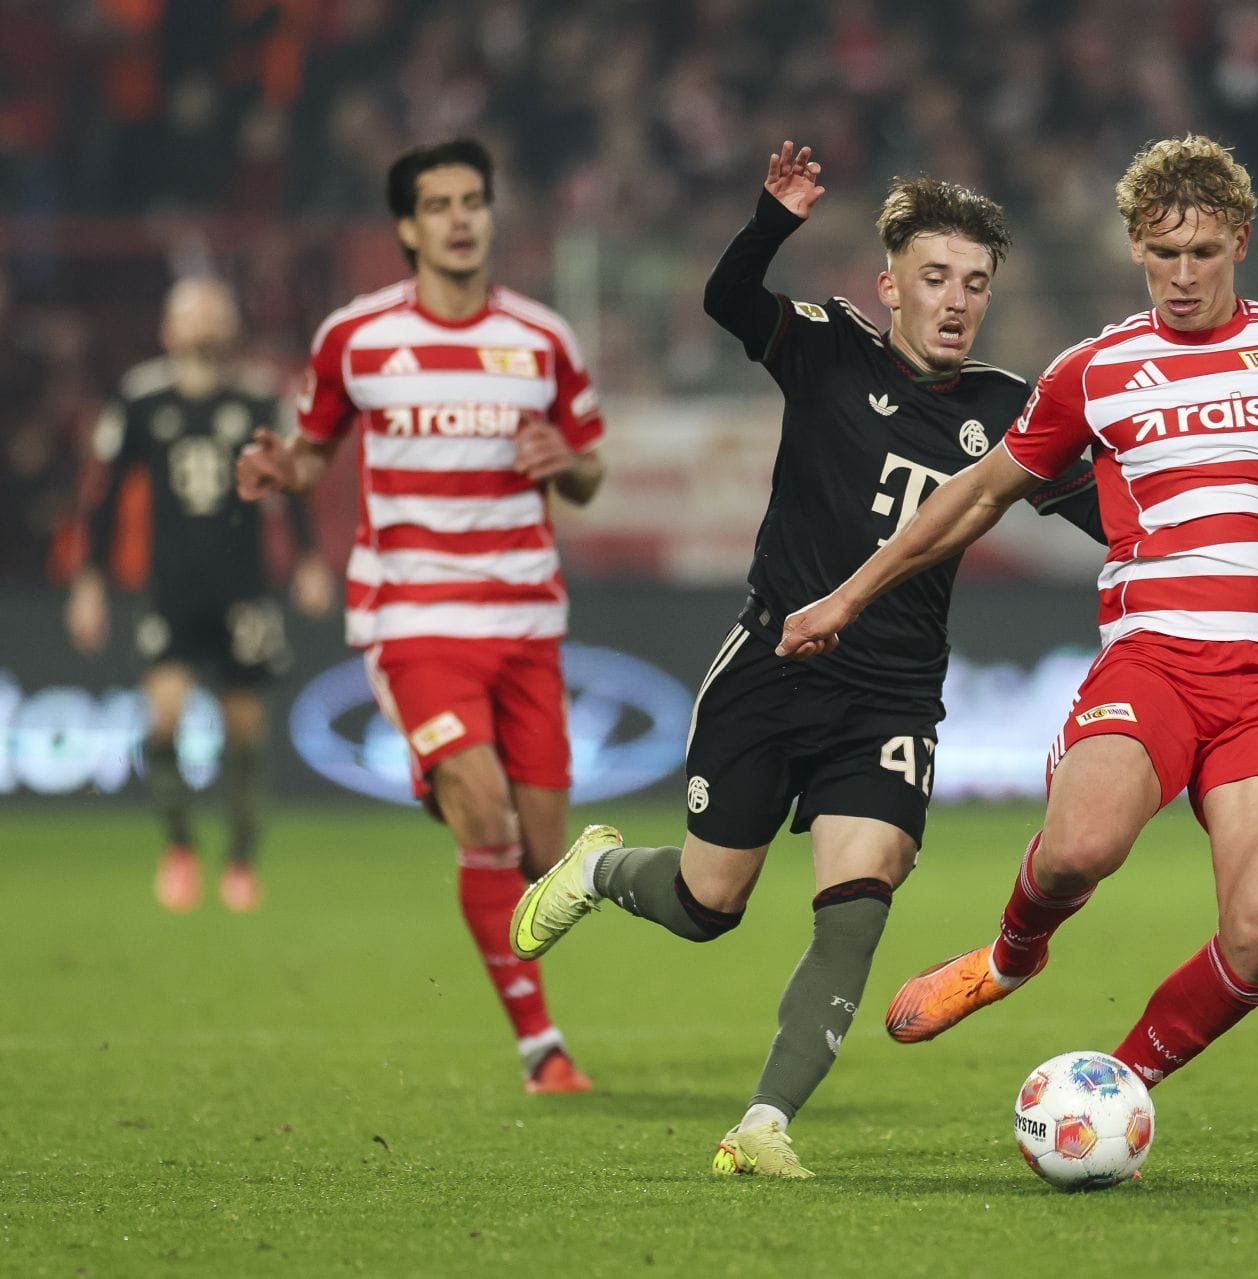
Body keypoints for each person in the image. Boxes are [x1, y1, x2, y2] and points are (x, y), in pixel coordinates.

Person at [777, 134, 1258, 1094]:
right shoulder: (1093, 371)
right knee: (1077, 850)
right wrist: (845, 596)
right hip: (1156, 660)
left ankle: (1115, 1088)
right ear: (1134, 244)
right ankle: (1011, 955)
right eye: (1163, 253)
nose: (1182, 276)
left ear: (1241, 243)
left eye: (1203, 253)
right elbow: (974, 496)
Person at [509, 141, 1104, 1176]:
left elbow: (1108, 513)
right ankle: (601, 868)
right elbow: (728, 296)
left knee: (862, 892)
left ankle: (764, 1123)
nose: (955, 301)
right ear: (891, 287)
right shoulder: (830, 346)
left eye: (974, 284)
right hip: (773, 664)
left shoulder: (1011, 411)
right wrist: (772, 220)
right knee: (707, 905)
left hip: (893, 696)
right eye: (934, 279)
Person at [235, 139, 608, 1095]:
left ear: (491, 213)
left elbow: (591, 473)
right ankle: (542, 1049)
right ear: (406, 226)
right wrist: (283, 471)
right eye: (438, 203)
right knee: (482, 821)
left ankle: (452, 781)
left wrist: (559, 461)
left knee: (538, 856)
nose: (458, 218)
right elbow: (314, 453)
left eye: (472, 200)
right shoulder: (355, 338)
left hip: (524, 617)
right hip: (412, 616)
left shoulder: (543, 339)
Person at [67, 276, 332, 913]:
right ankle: (179, 847)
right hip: (171, 588)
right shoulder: (140, 398)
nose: (206, 323)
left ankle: (240, 861)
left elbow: (292, 483)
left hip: (243, 587)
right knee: (163, 716)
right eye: (193, 313)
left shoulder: (259, 397)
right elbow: (103, 498)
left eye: (216, 311)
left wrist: (308, 560)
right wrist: (91, 580)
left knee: (245, 729)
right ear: (168, 328)